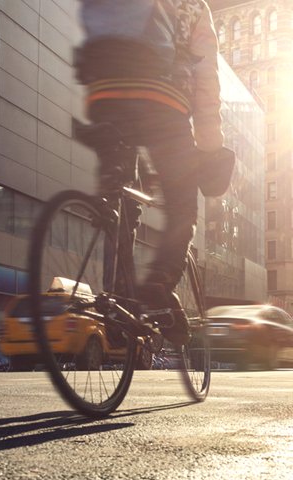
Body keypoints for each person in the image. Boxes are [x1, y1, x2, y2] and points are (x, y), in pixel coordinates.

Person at [75, 0, 224, 346]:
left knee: (120, 199)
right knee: (183, 205)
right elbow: (207, 80)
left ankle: (119, 296)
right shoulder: (194, 7)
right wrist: (210, 145)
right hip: (163, 101)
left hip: (106, 91)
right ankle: (158, 283)